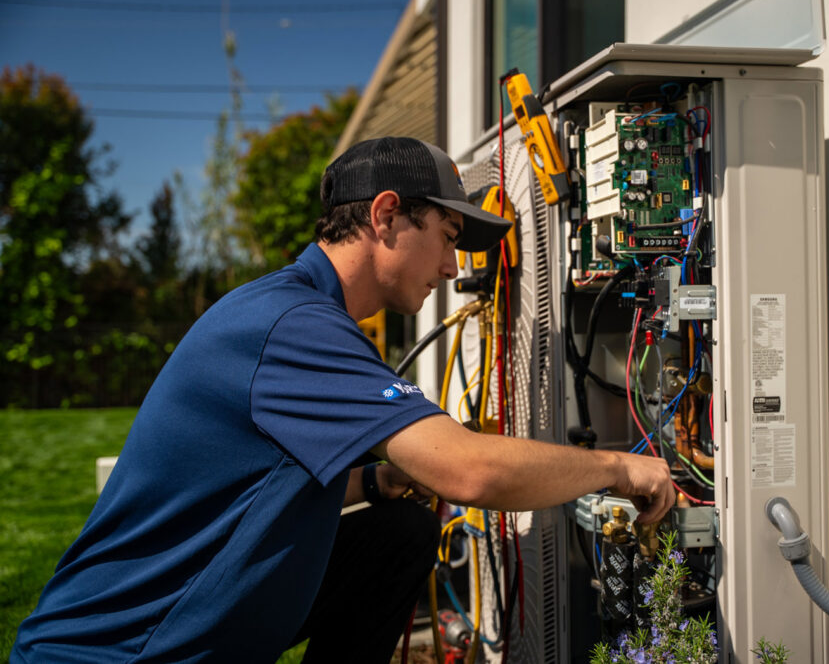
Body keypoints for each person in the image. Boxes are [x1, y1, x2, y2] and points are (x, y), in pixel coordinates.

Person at [12, 137, 674, 663]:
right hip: (118, 652)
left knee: (397, 533)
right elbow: (470, 471)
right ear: (386, 215)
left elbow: (253, 484)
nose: (451, 268)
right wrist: (620, 468)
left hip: (179, 630)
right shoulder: (293, 327)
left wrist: (378, 483)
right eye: (447, 236)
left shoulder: (295, 312)